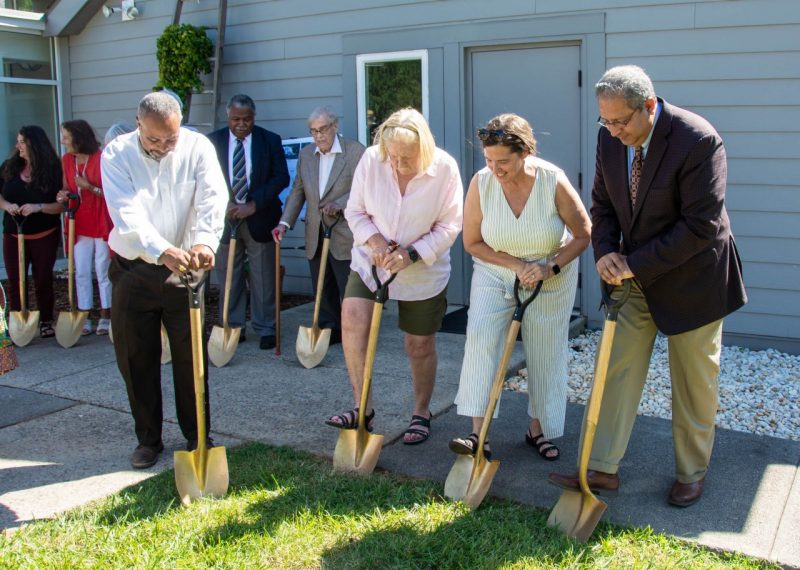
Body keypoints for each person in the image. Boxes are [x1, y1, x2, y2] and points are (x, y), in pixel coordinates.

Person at [548, 65, 747, 507]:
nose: (614, 132)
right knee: (615, 370)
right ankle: (601, 468)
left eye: (621, 121)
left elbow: (701, 226)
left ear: (650, 106)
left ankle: (691, 473)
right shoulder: (609, 139)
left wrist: (631, 263)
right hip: (632, 277)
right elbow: (602, 206)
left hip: (693, 280)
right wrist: (604, 253)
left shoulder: (698, 140)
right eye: (606, 121)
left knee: (693, 382)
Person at [450, 114, 591, 462]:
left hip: (550, 275)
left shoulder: (551, 181)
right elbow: (472, 242)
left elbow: (584, 233)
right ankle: (477, 435)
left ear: (525, 152)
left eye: (504, 162)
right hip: (496, 272)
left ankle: (537, 430)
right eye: (488, 160)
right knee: (482, 339)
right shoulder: (481, 183)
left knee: (545, 349)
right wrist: (516, 266)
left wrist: (549, 266)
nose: (495, 169)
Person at [101, 91, 228, 469]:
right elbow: (126, 214)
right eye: (155, 139)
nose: (163, 146)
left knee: (192, 358)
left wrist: (205, 240)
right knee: (136, 356)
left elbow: (212, 198)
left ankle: (198, 435)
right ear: (138, 124)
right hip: (133, 269)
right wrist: (162, 251)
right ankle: (148, 439)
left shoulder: (197, 147)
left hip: (187, 268)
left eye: (170, 138)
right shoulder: (116, 154)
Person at [325, 108, 463, 445]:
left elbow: (450, 225)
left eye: (408, 159)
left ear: (425, 149)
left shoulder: (444, 168)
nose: (399, 165)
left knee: (418, 344)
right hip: (371, 262)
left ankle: (421, 412)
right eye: (394, 157)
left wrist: (411, 253)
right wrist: (373, 240)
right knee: (353, 321)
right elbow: (355, 210)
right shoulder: (373, 160)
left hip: (422, 270)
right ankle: (362, 407)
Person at [272, 107, 366, 344]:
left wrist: (341, 204)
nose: (318, 136)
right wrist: (285, 222)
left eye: (322, 129)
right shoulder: (306, 155)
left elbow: (365, 190)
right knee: (323, 287)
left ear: (335, 126)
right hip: (316, 231)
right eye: (313, 131)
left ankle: (354, 331)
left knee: (349, 288)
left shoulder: (355, 152)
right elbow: (298, 191)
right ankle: (328, 329)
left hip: (344, 232)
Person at [207, 94, 290, 349]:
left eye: (247, 119)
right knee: (228, 275)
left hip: (260, 217)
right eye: (236, 119)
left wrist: (253, 205)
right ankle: (233, 326)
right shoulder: (212, 142)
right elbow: (205, 179)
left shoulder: (270, 140)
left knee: (263, 275)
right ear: (227, 117)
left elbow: (281, 178)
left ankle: (266, 327)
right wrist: (225, 204)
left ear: (254, 117)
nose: (241, 124)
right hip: (225, 220)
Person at [0, 126, 63, 339]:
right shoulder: (9, 167)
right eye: (18, 142)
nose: (17, 146)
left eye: (22, 142)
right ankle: (19, 320)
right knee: (16, 279)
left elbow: (60, 206)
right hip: (13, 234)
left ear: (34, 145)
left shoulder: (54, 170)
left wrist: (38, 207)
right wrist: (7, 205)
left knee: (43, 278)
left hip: (44, 234)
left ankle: (46, 321)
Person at [56, 120, 113, 336]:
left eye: (66, 137)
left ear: (78, 138)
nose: (63, 141)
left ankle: (106, 314)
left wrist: (89, 187)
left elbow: (109, 193)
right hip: (77, 219)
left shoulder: (101, 158)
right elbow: (65, 188)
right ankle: (84, 314)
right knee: (80, 269)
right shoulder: (67, 160)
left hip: (100, 218)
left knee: (102, 268)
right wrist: (62, 195)